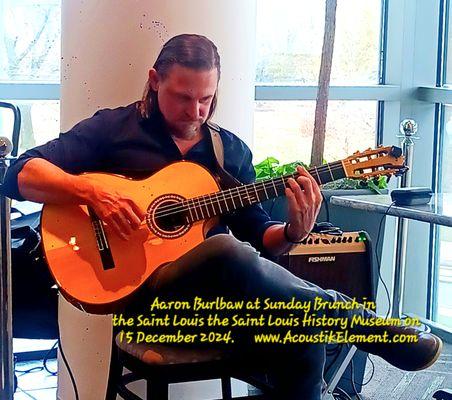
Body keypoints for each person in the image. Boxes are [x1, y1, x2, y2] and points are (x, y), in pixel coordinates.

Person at [2, 34, 442, 399]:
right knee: (223, 249)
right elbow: (19, 173)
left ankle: (335, 321)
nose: (196, 112)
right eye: (183, 98)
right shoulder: (113, 130)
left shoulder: (228, 151)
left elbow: (262, 238)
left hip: (220, 314)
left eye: (207, 100)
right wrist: (92, 190)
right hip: (150, 311)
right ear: (155, 81)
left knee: (299, 327)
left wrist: (293, 230)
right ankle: (365, 325)